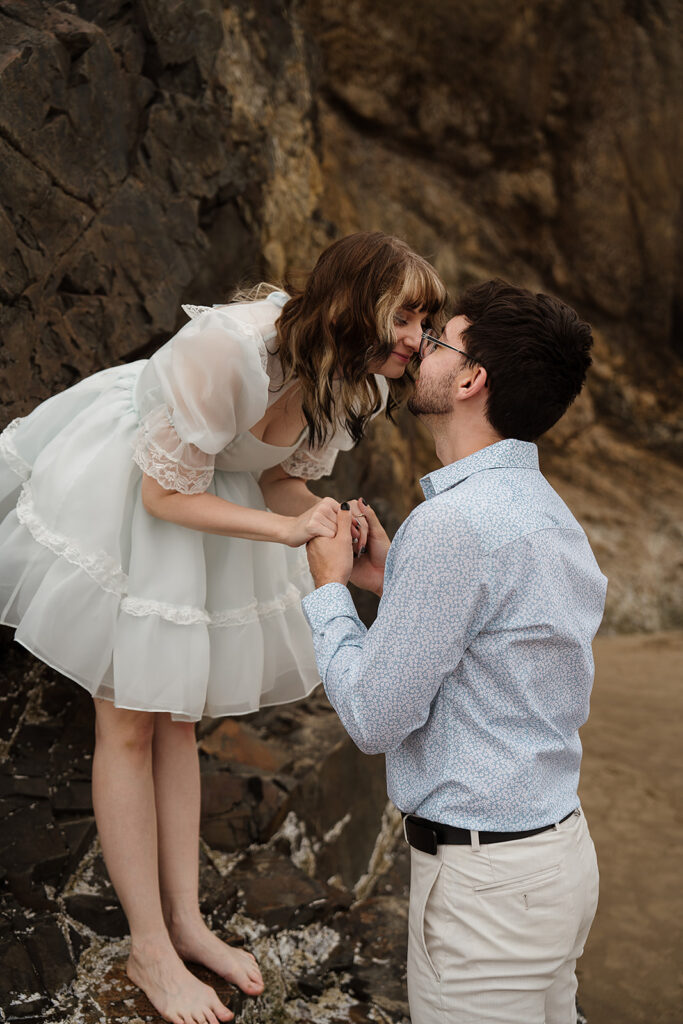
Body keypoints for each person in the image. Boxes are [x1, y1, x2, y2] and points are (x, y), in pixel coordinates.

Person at [0, 232, 447, 1024]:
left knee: (178, 719)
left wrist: (315, 519)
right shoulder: (227, 352)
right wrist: (286, 534)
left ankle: (186, 924)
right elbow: (162, 496)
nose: (420, 339)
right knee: (129, 722)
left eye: (426, 321)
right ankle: (148, 949)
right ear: (356, 307)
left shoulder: (353, 382)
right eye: (407, 318)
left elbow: (274, 476)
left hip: (217, 500)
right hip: (138, 488)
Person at [303, 279, 607, 1024]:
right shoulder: (540, 509)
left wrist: (329, 592)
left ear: (471, 379)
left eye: (438, 342)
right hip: (556, 857)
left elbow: (375, 720)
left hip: (487, 885)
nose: (418, 349)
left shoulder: (454, 526)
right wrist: (393, 580)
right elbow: (502, 648)